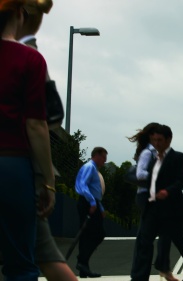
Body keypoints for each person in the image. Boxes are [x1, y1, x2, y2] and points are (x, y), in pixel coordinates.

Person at [14, 1, 77, 280]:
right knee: (39, 254)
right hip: (21, 168)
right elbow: (49, 117)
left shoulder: (24, 53)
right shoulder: (28, 55)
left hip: (18, 168)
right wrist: (48, 181)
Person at [1, 0, 55, 279]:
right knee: (20, 262)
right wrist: (48, 181)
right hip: (11, 165)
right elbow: (37, 125)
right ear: (20, 14)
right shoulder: (30, 59)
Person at [131, 125, 183, 281]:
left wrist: (167, 191)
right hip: (153, 208)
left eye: (160, 140)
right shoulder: (152, 158)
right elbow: (144, 177)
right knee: (145, 242)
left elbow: (181, 181)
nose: (157, 143)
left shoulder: (178, 157)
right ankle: (139, 278)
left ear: (168, 140)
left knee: (178, 239)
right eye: (154, 140)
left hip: (172, 209)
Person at [128, 123, 179, 281]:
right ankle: (141, 275)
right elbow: (140, 173)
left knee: (151, 235)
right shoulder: (148, 153)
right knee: (146, 238)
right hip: (146, 196)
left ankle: (159, 268)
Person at [75, 147, 108, 278]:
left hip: (92, 203)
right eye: (103, 158)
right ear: (97, 156)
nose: (104, 162)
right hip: (88, 203)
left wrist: (100, 208)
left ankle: (83, 268)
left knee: (86, 235)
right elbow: (83, 185)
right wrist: (93, 203)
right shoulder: (90, 167)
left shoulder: (94, 169)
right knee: (98, 234)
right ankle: (81, 260)